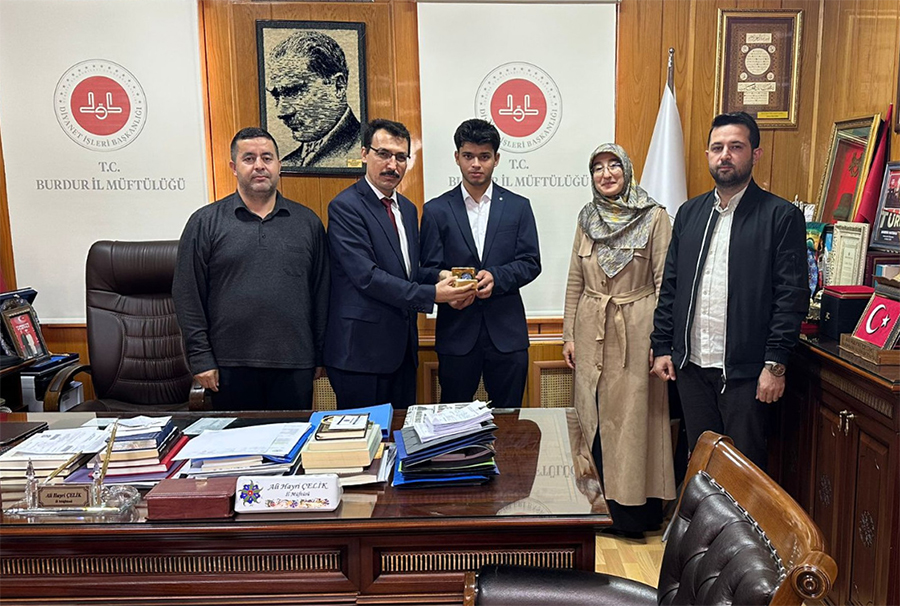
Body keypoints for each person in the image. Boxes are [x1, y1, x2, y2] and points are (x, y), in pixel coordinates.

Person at [650, 112, 808, 469]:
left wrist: (775, 365)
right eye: (718, 147)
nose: (725, 155)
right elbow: (670, 286)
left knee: (744, 471)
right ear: (707, 154)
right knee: (702, 467)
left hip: (747, 374)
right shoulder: (689, 213)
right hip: (692, 368)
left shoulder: (780, 216)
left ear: (755, 154)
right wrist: (662, 346)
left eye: (736, 147)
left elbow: (791, 297)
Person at [563, 142, 676, 537]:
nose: (606, 173)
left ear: (627, 170)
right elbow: (574, 281)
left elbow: (665, 284)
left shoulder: (655, 217)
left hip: (638, 330)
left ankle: (633, 515)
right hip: (590, 330)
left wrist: (661, 341)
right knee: (592, 417)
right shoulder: (587, 217)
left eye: (614, 165)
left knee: (633, 421)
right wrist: (568, 335)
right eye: (598, 167)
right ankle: (595, 507)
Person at [173, 127, 329, 410]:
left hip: (295, 364)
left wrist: (319, 355)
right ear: (234, 167)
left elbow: (321, 293)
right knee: (237, 440)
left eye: (267, 158)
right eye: (249, 158)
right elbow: (188, 295)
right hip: (228, 367)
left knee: (293, 438)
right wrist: (200, 358)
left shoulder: (308, 223)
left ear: (279, 165)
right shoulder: (205, 222)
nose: (259, 165)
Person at [324, 119, 473, 409]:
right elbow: (367, 277)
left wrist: (439, 277)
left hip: (402, 352)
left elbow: (407, 271)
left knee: (399, 433)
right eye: (383, 154)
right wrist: (433, 294)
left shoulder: (406, 208)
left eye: (401, 157)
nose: (392, 165)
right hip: (360, 355)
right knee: (364, 435)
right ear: (364, 154)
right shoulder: (345, 207)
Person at [420, 119, 541, 408]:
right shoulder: (436, 210)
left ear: (496, 159)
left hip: (507, 334)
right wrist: (445, 283)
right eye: (468, 156)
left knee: (510, 418)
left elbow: (531, 262)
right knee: (454, 419)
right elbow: (424, 270)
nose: (476, 164)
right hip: (456, 332)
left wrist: (497, 277)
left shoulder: (518, 206)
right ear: (457, 157)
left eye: (484, 156)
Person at [266, 31, 360, 169]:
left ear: (338, 86)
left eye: (294, 91)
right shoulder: (287, 163)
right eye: (276, 95)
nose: (281, 112)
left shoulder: (364, 152)